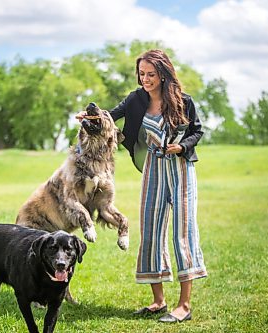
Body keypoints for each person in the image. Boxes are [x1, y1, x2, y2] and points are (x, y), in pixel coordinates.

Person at [79, 49, 207, 323]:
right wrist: (90, 118)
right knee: (150, 232)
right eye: (142, 74)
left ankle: (184, 305)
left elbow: (197, 131)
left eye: (151, 74)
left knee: (182, 234)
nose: (146, 79)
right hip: (152, 171)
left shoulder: (184, 101)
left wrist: (180, 146)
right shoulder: (136, 100)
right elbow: (110, 117)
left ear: (163, 74)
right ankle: (158, 301)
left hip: (182, 171)